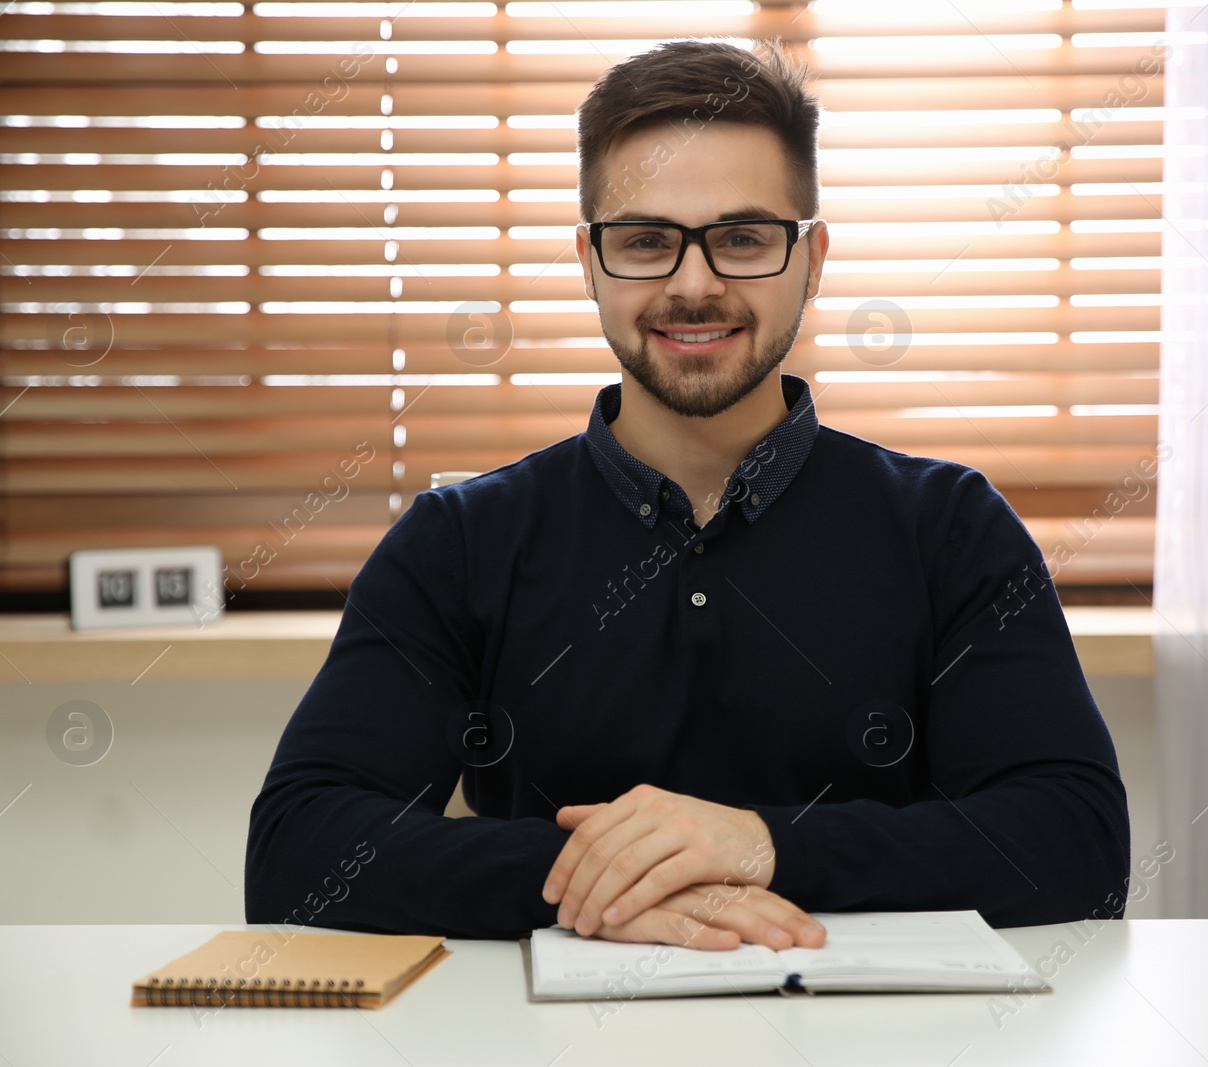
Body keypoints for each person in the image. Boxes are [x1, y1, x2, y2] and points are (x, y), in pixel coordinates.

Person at [245, 38, 1130, 953]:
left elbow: (1075, 841)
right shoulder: (460, 541)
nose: (694, 284)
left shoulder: (951, 528)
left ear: (813, 258)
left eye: (743, 238)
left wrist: (763, 844)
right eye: (646, 242)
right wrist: (601, 884)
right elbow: (297, 853)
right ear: (590, 263)